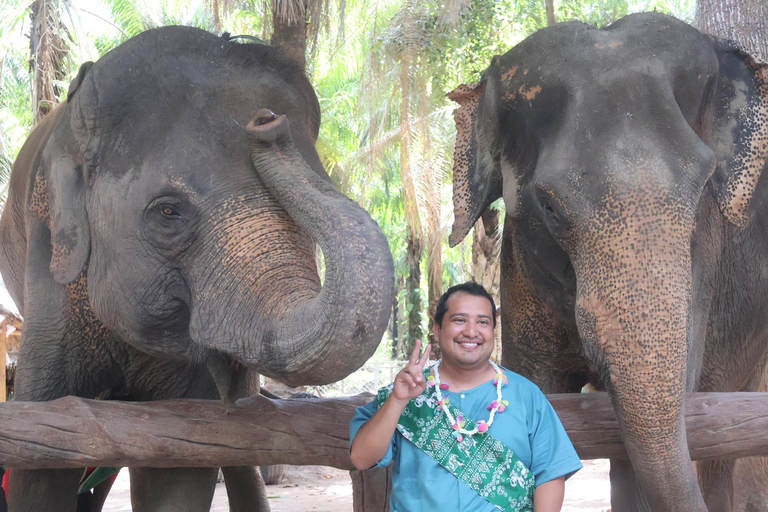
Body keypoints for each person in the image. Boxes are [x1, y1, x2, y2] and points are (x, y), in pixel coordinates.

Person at [350, 282, 582, 512]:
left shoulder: (526, 395)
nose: (471, 332)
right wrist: (398, 401)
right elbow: (361, 459)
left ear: (492, 331)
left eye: (483, 322)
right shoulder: (407, 391)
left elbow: (550, 473)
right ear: (437, 328)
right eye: (459, 320)